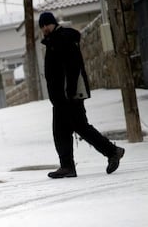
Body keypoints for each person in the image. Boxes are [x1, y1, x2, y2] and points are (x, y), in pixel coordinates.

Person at [39, 11, 125, 178]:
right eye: (41, 26)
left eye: (46, 24)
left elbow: (73, 66)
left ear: (53, 23)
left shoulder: (64, 38)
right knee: (61, 131)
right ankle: (67, 166)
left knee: (81, 127)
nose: (44, 28)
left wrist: (70, 91)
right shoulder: (52, 41)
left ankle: (113, 151)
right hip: (60, 98)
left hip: (69, 96)